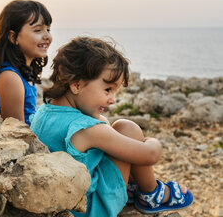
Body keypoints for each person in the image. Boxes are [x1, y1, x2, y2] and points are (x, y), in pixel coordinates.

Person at [30, 37, 193, 216]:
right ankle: (151, 194)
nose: (113, 99)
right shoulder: (87, 129)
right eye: (107, 89)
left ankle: (133, 187)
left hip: (62, 203)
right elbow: (151, 155)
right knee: (127, 128)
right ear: (76, 85)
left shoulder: (44, 111)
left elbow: (102, 129)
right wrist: (149, 141)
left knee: (112, 130)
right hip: (92, 210)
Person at [0, 0, 52, 126]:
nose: (47, 36)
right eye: (38, 30)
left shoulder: (22, 73)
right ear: (13, 37)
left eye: (48, 29)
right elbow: (17, 134)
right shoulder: (10, 78)